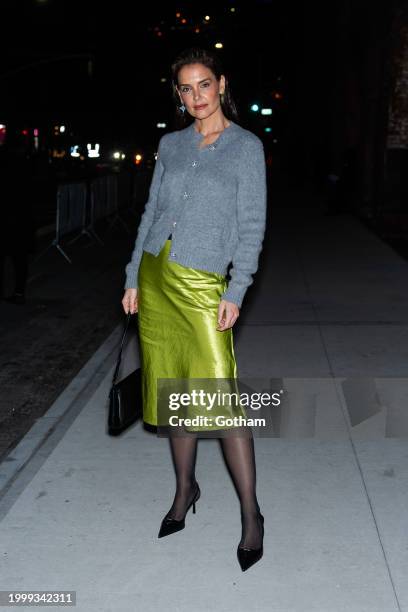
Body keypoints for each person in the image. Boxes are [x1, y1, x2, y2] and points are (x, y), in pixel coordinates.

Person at [122, 47, 267, 572]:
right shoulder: (171, 144)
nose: (195, 97)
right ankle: (185, 491)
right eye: (185, 89)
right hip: (157, 282)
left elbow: (252, 226)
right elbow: (151, 213)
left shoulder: (246, 148)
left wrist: (237, 289)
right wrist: (133, 275)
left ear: (222, 84)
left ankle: (252, 515)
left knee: (221, 401)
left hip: (205, 285)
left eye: (203, 85)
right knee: (173, 394)